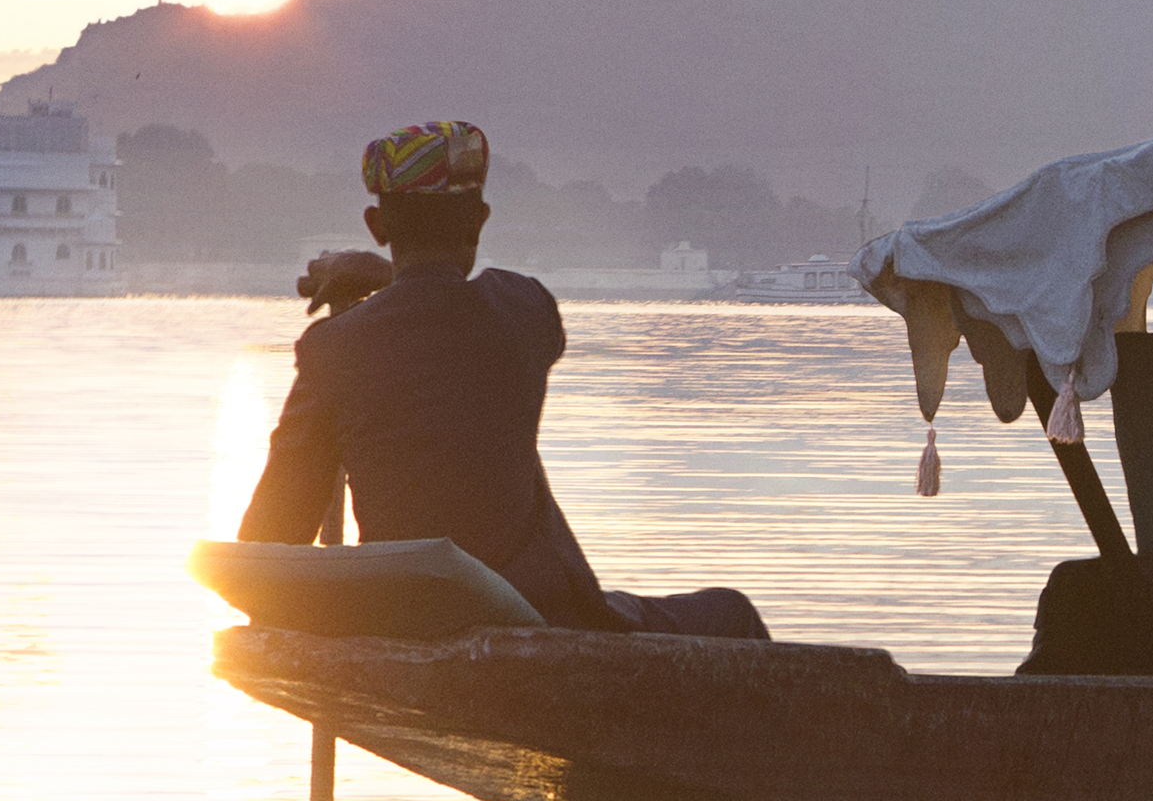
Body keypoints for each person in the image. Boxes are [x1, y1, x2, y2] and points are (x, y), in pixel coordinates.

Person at [237, 117, 769, 640]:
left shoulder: (331, 350)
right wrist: (383, 280)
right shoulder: (523, 310)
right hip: (546, 613)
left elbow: (267, 539)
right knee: (730, 613)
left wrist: (373, 283)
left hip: (401, 618)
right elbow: (441, 302)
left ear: (378, 227)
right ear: (480, 220)